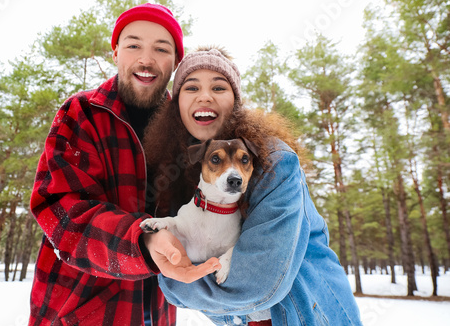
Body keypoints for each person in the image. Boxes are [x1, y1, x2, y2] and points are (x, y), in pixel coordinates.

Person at [28, 4, 220, 326]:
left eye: (161, 48)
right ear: (115, 52)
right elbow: (63, 211)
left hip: (158, 312)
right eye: (134, 45)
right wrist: (143, 241)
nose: (146, 59)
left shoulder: (188, 131)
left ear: (175, 62)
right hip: (79, 312)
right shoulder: (82, 113)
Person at [143, 47, 363, 326]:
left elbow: (254, 284)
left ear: (235, 102)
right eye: (191, 87)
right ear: (177, 105)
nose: (205, 96)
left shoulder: (275, 162)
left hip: (308, 315)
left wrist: (170, 282)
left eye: (219, 87)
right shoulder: (183, 178)